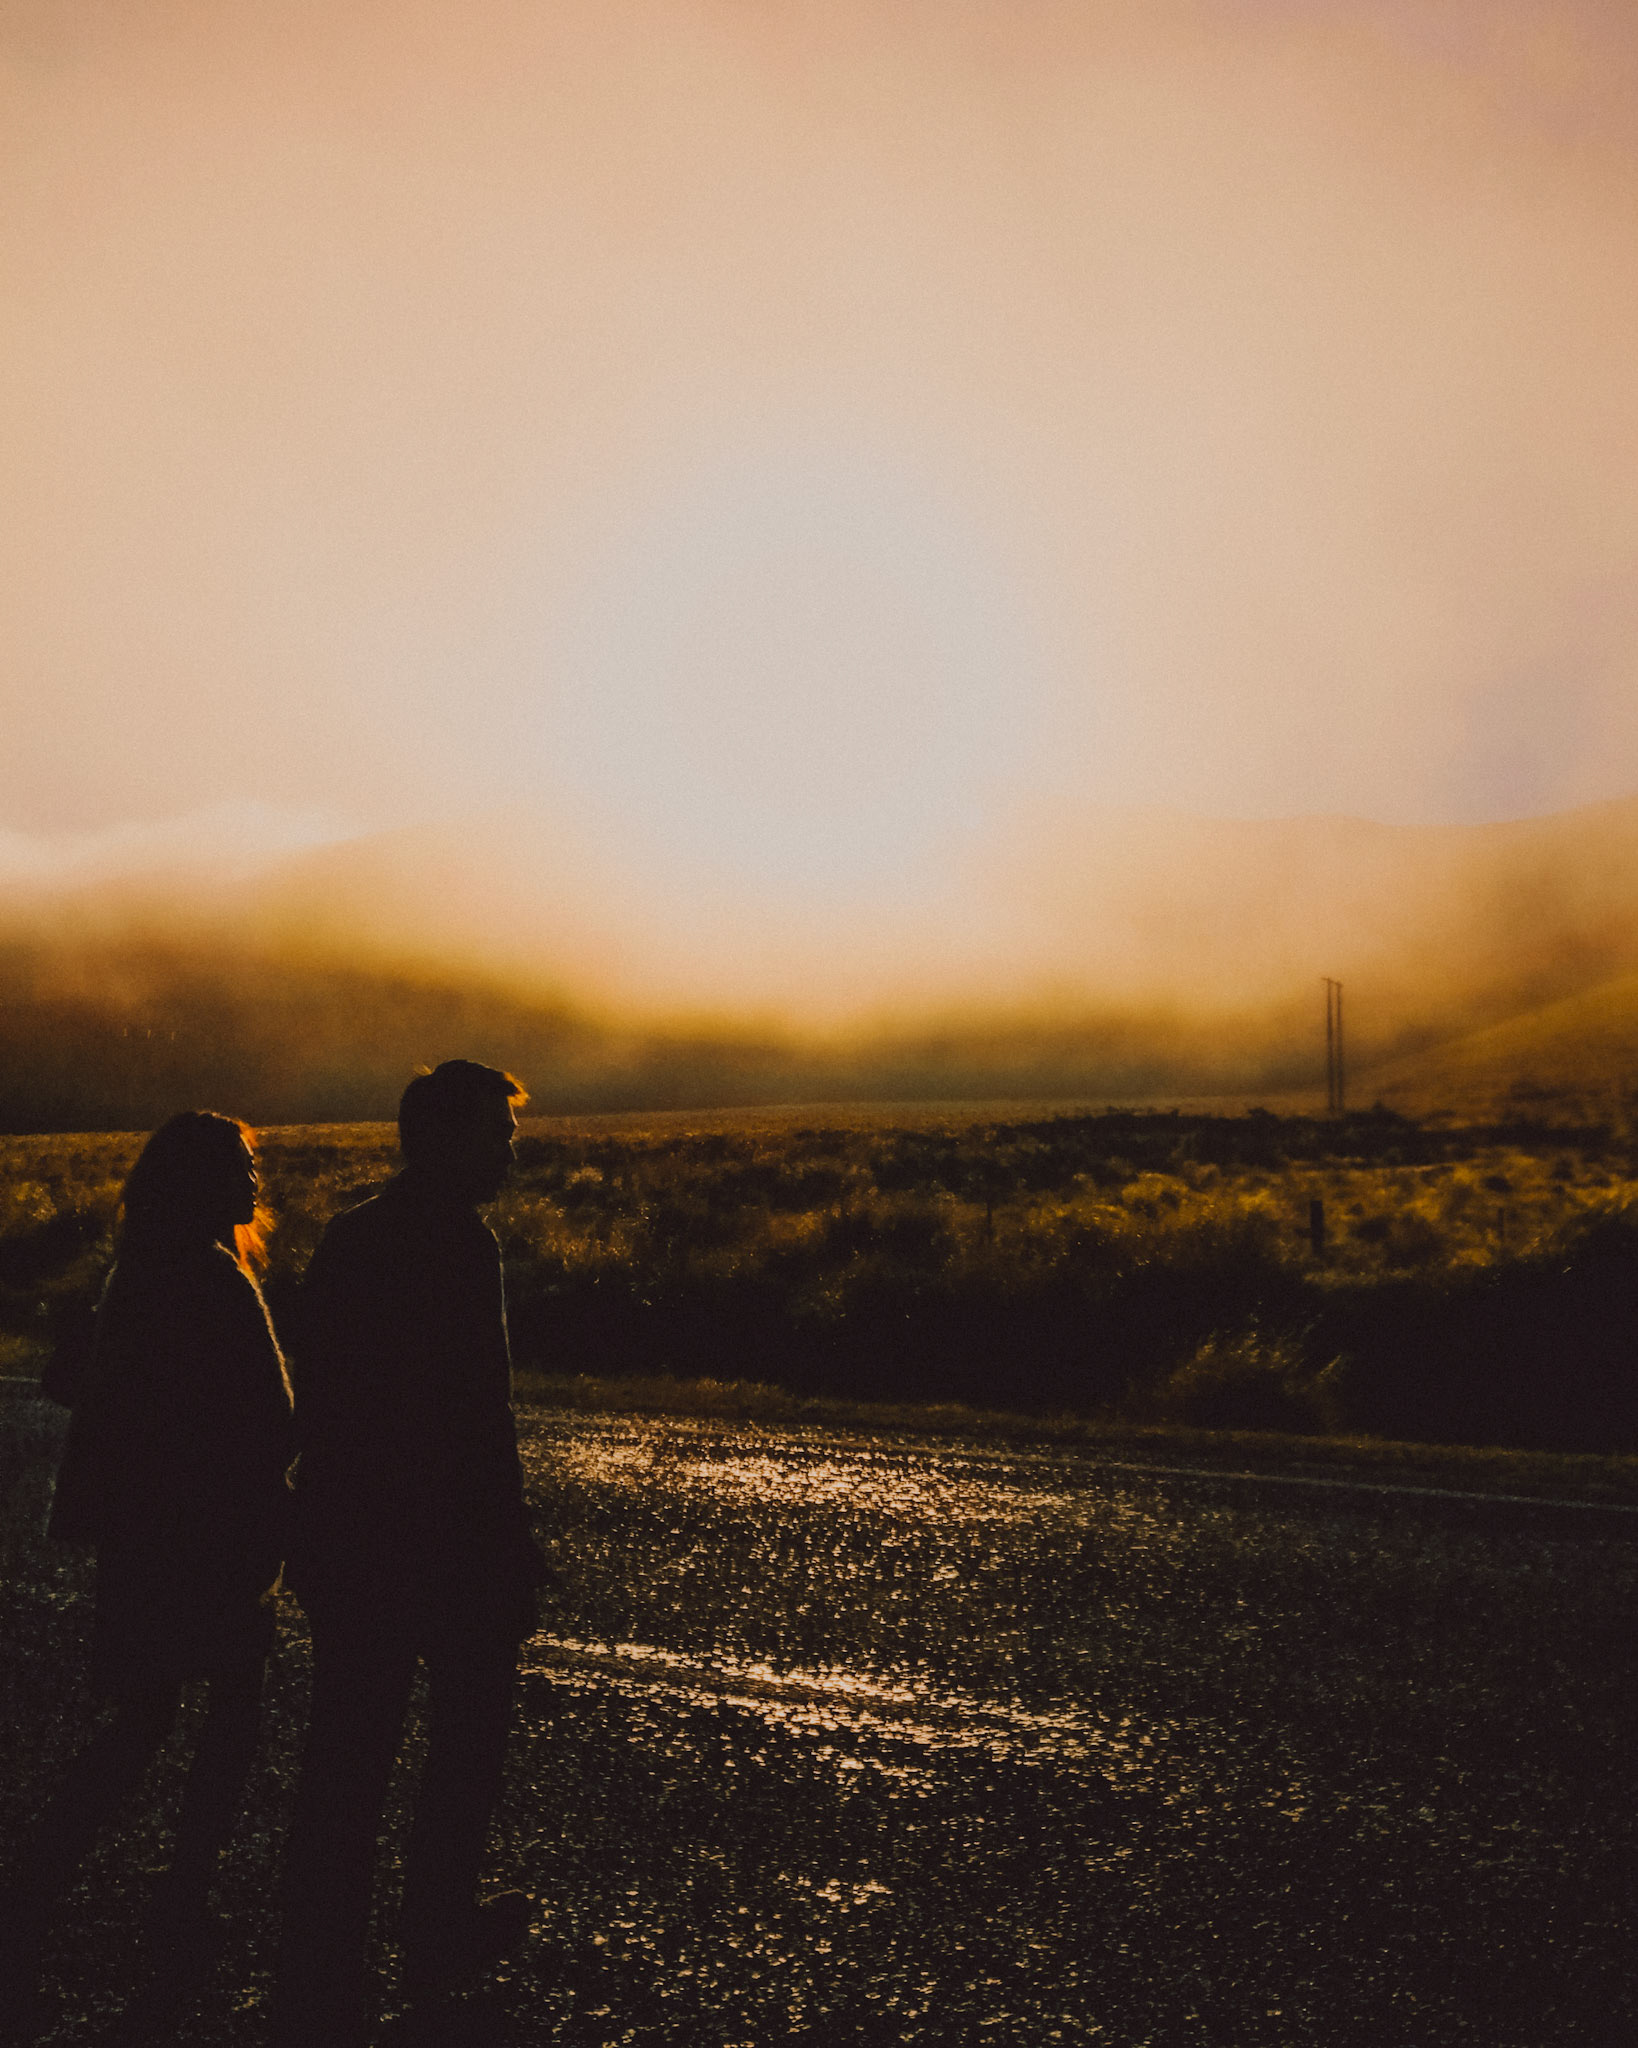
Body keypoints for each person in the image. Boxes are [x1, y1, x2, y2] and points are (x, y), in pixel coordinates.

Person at [271, 1060, 548, 2047]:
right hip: (445, 1540)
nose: (512, 1151)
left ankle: (316, 1957)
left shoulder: (353, 1235)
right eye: (499, 1133)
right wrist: (509, 1541)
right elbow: (480, 1412)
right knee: (462, 1746)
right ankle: (433, 1936)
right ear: (449, 1138)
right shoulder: (461, 1247)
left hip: (353, 1534)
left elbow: (324, 1388)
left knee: (347, 1750)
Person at [0, 1113, 294, 2038]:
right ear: (203, 1178)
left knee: (149, 1716)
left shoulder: (142, 1266)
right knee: (219, 1712)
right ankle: (171, 1897)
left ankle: (43, 1888)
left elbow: (70, 1380)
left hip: (150, 1535)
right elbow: (264, 1412)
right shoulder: (207, 1272)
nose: (255, 1177)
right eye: (242, 1165)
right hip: (207, 1537)